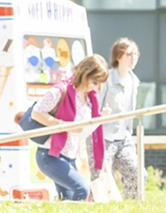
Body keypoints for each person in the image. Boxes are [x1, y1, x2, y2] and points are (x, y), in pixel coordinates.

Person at [31, 54, 111, 201]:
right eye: (94, 81)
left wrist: (100, 117)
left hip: (70, 155)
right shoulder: (60, 91)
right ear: (85, 74)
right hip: (50, 155)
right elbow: (36, 113)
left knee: (66, 200)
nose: (96, 87)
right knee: (82, 190)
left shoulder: (90, 98)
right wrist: (63, 125)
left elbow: (85, 126)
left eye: (100, 83)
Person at [86, 38, 143, 200]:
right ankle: (96, 211)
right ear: (119, 56)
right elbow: (93, 107)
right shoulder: (107, 79)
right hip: (102, 137)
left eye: (136, 54)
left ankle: (130, 210)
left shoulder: (134, 81)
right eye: (129, 54)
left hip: (122, 137)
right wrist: (101, 113)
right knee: (100, 179)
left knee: (137, 173)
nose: (134, 58)